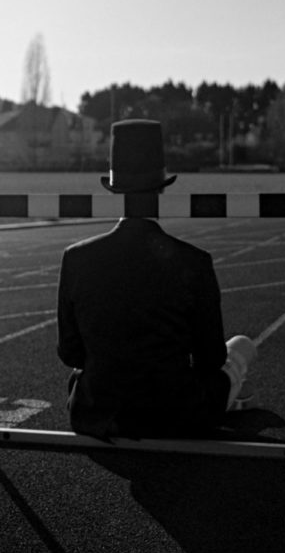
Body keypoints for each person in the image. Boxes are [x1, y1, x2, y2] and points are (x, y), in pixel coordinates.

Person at [56, 119, 257, 439]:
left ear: (113, 188)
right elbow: (211, 359)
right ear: (163, 187)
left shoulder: (76, 258)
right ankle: (223, 404)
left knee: (89, 371)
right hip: (175, 417)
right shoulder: (194, 262)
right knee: (242, 346)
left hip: (96, 415)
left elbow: (71, 354)